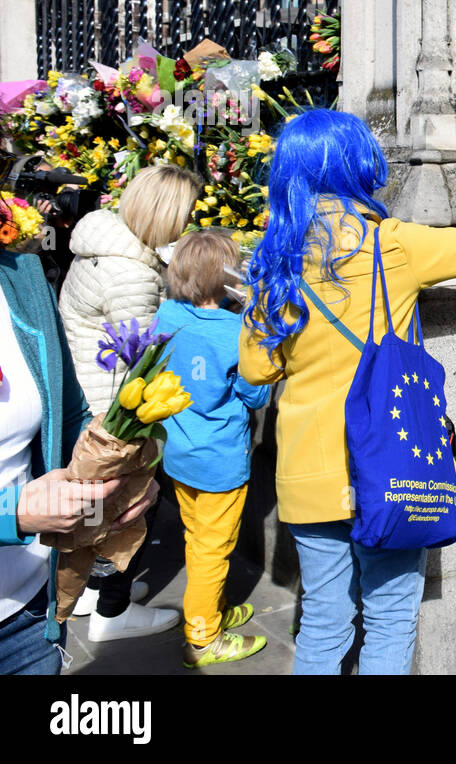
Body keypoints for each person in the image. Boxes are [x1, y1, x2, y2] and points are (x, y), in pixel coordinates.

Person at [239, 108, 456, 675]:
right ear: (359, 163)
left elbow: (257, 371)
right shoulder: (394, 244)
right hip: (389, 462)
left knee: (322, 622)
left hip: (308, 472)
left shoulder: (275, 262)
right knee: (388, 620)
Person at [0, 218, 157, 674]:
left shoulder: (21, 279)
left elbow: (67, 416)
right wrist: (13, 516)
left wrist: (122, 481)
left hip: (30, 615)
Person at [58, 163, 201, 640]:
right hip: (112, 410)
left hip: (82, 396)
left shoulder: (100, 244)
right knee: (132, 507)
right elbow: (138, 361)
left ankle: (89, 597)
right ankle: (112, 614)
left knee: (95, 511)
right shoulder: (132, 274)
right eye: (184, 214)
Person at [152, 229, 271, 668]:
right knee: (213, 548)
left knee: (195, 539)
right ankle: (203, 638)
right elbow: (255, 395)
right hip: (220, 460)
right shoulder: (235, 330)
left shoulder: (165, 316)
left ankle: (210, 609)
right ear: (228, 277)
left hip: (178, 455)